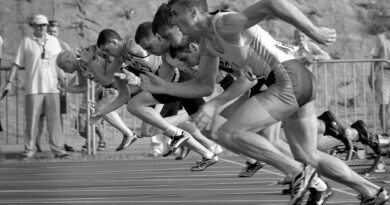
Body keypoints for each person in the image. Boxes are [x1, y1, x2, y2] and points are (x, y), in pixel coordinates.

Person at [141, 1, 389, 204]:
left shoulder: (223, 23)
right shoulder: (207, 43)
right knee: (307, 153)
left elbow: (271, 4)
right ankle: (372, 193)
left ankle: (298, 173)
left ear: (193, 12)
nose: (172, 21)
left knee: (228, 133)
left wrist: (313, 31)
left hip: (286, 76)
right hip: (293, 79)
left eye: (175, 14)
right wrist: (164, 87)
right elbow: (204, 85)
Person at [93, 28, 220, 171]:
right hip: (167, 85)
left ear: (114, 42)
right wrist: (101, 111)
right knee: (142, 112)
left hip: (176, 80)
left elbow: (148, 40)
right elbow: (114, 87)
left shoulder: (132, 45)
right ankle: (205, 151)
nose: (107, 55)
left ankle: (241, 154)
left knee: (208, 129)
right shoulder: (121, 61)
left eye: (107, 50)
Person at [1, 14, 69, 160]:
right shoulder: (26, 42)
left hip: (52, 87)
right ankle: (29, 150)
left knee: (55, 121)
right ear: (33, 26)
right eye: (39, 25)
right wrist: (9, 82)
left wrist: (63, 82)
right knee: (32, 121)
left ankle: (59, 150)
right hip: (33, 88)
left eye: (44, 25)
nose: (42, 28)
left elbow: (59, 63)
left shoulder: (53, 41)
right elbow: (17, 63)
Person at [56, 50, 140, 152]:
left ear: (69, 62)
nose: (65, 71)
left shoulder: (85, 61)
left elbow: (108, 62)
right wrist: (66, 88)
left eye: (64, 68)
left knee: (100, 109)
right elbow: (84, 87)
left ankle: (129, 134)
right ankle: (129, 134)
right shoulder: (80, 69)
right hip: (112, 87)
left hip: (121, 82)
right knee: (98, 111)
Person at [35, 19, 75, 152]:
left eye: (54, 31)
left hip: (59, 86)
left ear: (58, 32)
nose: (52, 33)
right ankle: (36, 144)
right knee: (40, 115)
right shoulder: (41, 44)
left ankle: (61, 143)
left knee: (59, 116)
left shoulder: (64, 46)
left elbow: (72, 64)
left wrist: (66, 85)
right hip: (43, 85)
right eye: (50, 31)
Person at [370, 30, 390, 135]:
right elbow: (375, 57)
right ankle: (385, 132)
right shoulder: (381, 38)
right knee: (384, 103)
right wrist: (371, 74)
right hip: (384, 72)